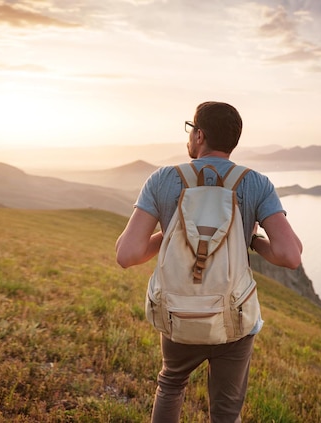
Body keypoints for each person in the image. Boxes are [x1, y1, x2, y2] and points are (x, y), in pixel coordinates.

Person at [115, 101, 302, 423]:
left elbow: (127, 255)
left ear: (199, 135)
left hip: (178, 313)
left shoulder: (162, 180)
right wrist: (251, 238)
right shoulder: (255, 183)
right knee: (227, 411)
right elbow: (289, 255)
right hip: (235, 318)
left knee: (171, 384)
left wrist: (172, 231)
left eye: (191, 129)